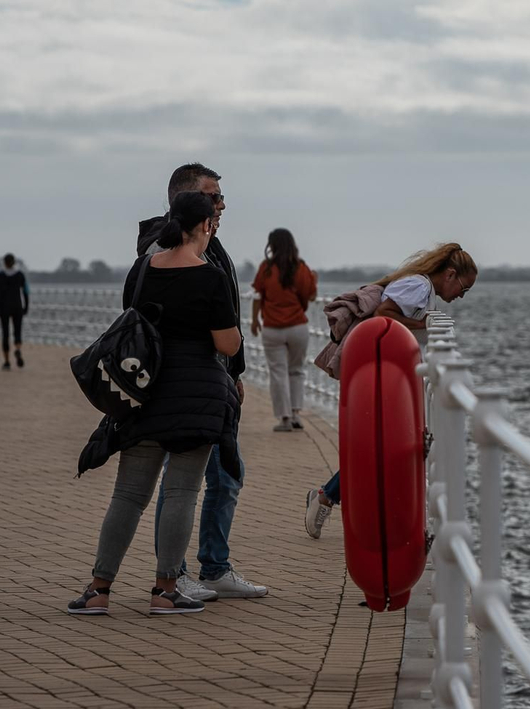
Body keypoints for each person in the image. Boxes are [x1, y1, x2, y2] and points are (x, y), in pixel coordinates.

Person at [68, 192, 243, 616]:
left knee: (128, 495)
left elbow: (133, 319)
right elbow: (227, 343)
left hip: (144, 393)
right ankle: (165, 591)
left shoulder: (143, 269)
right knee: (182, 492)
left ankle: (98, 589)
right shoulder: (211, 277)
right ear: (206, 226)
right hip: (196, 396)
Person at [130, 162, 267, 601]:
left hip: (216, 382)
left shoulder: (213, 246)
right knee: (178, 485)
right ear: (184, 199)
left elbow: (225, 314)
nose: (221, 205)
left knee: (226, 476)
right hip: (184, 386)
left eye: (221, 197)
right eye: (213, 196)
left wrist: (235, 373)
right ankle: (173, 574)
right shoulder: (163, 249)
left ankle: (215, 567)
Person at [305, 243, 478, 539]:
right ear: (450, 274)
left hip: (390, 376)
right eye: (464, 288)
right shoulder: (419, 286)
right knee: (381, 450)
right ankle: (327, 497)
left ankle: (334, 498)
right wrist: (424, 323)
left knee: (383, 450)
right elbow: (384, 314)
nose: (461, 296)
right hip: (381, 375)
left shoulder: (423, 289)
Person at [251, 228, 318, 433]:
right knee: (296, 370)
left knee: (278, 373)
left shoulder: (266, 268)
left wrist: (254, 320)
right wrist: (313, 280)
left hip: (272, 328)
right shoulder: (301, 268)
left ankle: (285, 418)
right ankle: (296, 413)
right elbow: (311, 296)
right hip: (298, 327)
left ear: (272, 245)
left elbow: (257, 296)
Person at [0, 253, 29, 370]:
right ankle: (17, 349)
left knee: (5, 334)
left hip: (4, 308)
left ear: (4, 263)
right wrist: (26, 306)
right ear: (14, 262)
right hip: (17, 306)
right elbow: (26, 291)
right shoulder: (20, 275)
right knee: (17, 331)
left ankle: (7, 361)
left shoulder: (0, 276)